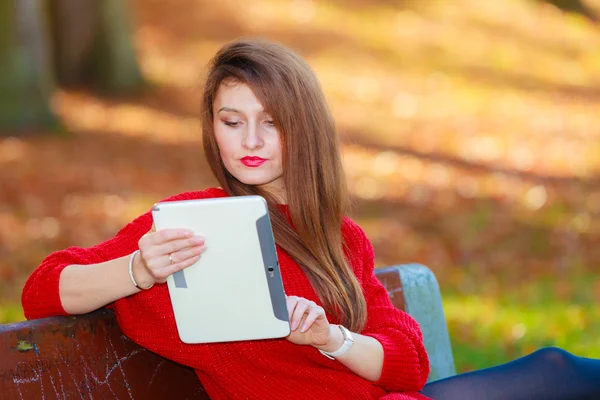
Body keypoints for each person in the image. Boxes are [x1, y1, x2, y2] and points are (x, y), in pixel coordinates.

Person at [21, 39, 600, 400]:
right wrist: (139, 268)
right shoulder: (191, 226)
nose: (249, 140)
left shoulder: (340, 236)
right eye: (231, 121)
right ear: (211, 126)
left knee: (557, 370)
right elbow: (44, 289)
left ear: (304, 127)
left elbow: (405, 361)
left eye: (270, 122)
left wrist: (332, 339)